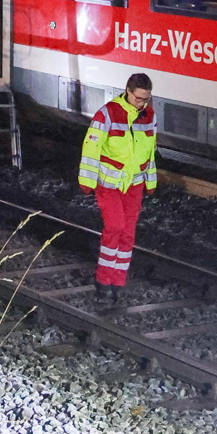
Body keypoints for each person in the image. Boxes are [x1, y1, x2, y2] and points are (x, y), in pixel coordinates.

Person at [77, 73, 158, 304]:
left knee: (128, 234)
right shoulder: (107, 114)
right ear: (128, 92)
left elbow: (150, 152)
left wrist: (150, 181)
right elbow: (91, 149)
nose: (143, 103)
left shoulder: (149, 116)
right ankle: (103, 280)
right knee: (115, 227)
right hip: (110, 184)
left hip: (134, 185)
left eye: (147, 99)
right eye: (139, 98)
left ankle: (117, 282)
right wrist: (88, 181)